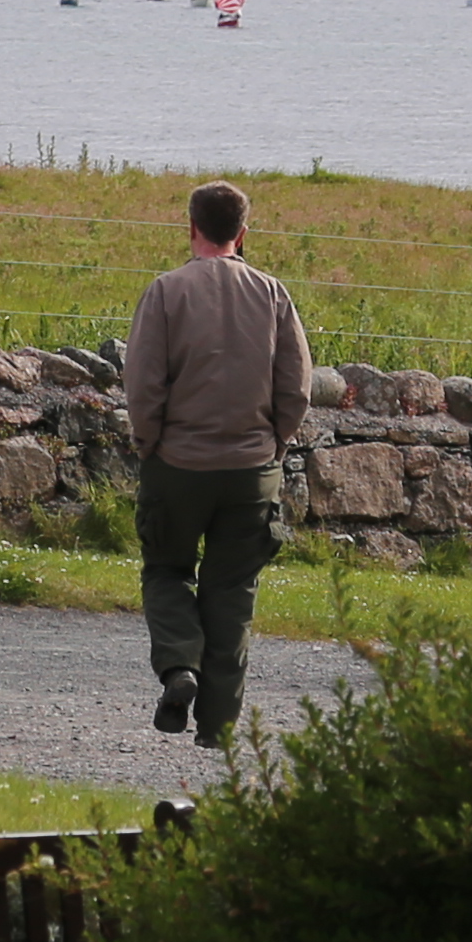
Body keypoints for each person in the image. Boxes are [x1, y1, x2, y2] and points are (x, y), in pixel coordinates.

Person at [123, 177, 308, 746]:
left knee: (166, 569)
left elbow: (143, 382)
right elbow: (296, 387)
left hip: (177, 463)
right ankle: (219, 726)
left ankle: (180, 667)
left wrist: (148, 441)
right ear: (243, 233)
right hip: (251, 469)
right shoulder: (272, 294)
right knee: (232, 589)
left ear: (192, 227)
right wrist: (275, 443)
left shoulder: (165, 291)